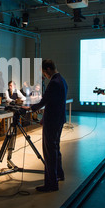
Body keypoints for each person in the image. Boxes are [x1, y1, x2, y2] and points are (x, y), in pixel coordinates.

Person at [24, 60, 67, 192]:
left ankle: (51, 184)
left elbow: (44, 101)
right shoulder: (62, 80)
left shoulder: (54, 82)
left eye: (43, 72)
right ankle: (59, 174)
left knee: (49, 152)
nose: (44, 75)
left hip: (52, 121)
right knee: (55, 148)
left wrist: (31, 107)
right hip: (59, 119)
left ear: (48, 69)